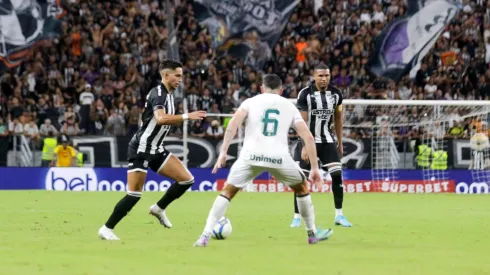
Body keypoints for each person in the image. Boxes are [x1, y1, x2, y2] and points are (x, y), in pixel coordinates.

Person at [193, 74, 334, 247]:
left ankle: (204, 236)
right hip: (279, 157)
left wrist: (223, 152)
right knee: (302, 187)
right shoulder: (289, 106)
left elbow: (233, 124)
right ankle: (312, 234)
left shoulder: (250, 102)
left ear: (261, 88)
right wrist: (314, 168)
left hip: (250, 156)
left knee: (227, 192)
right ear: (281, 91)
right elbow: (308, 137)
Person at [98, 59, 207, 240]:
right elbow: (161, 118)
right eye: (177, 75)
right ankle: (106, 228)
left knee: (187, 180)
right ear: (166, 75)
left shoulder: (170, 95)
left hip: (156, 149)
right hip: (141, 148)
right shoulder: (158, 93)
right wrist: (188, 116)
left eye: (181, 75)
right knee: (134, 195)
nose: (180, 79)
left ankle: (158, 208)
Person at [291, 64, 352, 228]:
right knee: (300, 180)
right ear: (314, 76)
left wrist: (339, 142)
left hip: (327, 141)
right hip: (308, 141)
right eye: (320, 76)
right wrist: (304, 145)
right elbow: (301, 122)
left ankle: (339, 215)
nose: (324, 79)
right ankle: (297, 217)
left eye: (326, 75)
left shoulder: (336, 94)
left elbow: (338, 119)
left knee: (337, 175)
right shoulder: (305, 94)